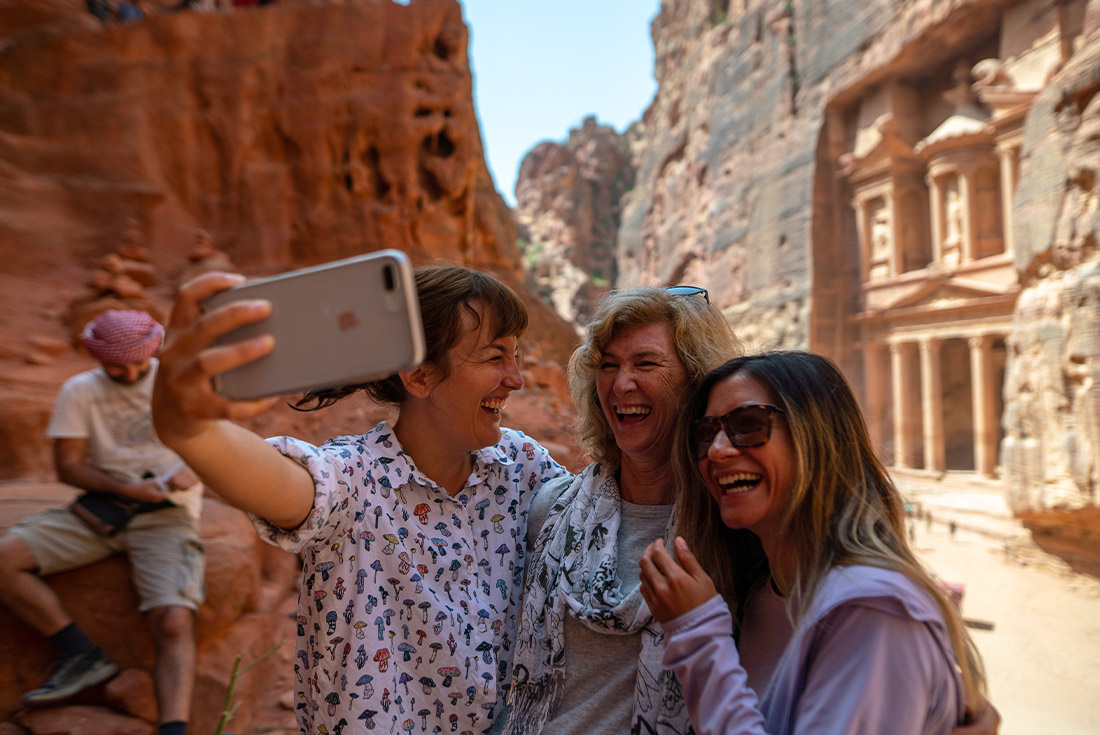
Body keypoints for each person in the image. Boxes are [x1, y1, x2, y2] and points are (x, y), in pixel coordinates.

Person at [151, 265, 568, 735]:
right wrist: (186, 428)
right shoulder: (354, 479)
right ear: (420, 377)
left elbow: (602, 516)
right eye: (495, 357)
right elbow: (283, 485)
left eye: (516, 357)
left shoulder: (521, 465)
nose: (516, 379)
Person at [638, 351, 989, 734]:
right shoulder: (756, 597)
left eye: (748, 424)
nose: (717, 450)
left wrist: (697, 636)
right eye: (705, 434)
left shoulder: (873, 607)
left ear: (818, 436)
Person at [505, 286, 737, 735]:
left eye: (646, 364)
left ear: (697, 381)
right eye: (608, 365)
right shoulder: (551, 511)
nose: (620, 384)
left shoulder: (731, 527)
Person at [0, 310, 203, 735]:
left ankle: (174, 729)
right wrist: (128, 489)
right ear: (97, 358)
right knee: (5, 559)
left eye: (138, 364)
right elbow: (68, 466)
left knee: (173, 620)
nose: (129, 374)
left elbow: (217, 439)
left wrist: (197, 466)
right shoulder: (80, 390)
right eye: (116, 367)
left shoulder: (176, 381)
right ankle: (80, 653)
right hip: (103, 508)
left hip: (167, 513)